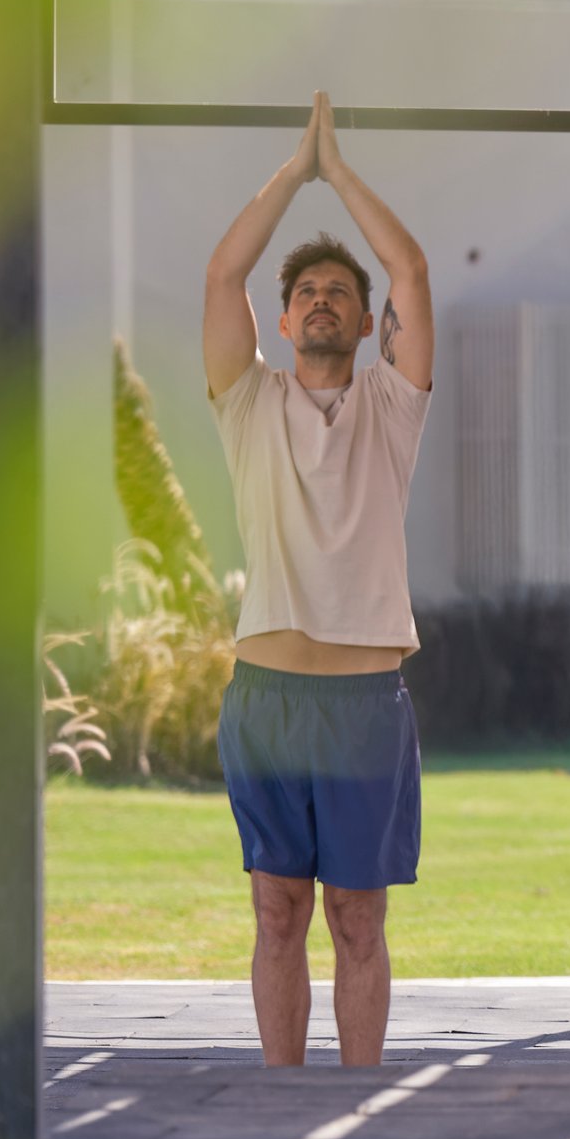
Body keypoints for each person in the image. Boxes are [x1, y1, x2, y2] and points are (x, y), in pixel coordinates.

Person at [201, 93, 436, 1068]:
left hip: (363, 705)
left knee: (357, 918)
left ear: (368, 320)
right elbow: (223, 273)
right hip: (267, 697)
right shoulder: (248, 402)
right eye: (308, 294)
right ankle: (281, 1094)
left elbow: (412, 269)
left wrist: (339, 173)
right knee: (276, 910)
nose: (324, 300)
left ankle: (359, 1099)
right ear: (286, 321)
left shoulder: (393, 405)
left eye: (342, 289)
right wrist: (292, 174)